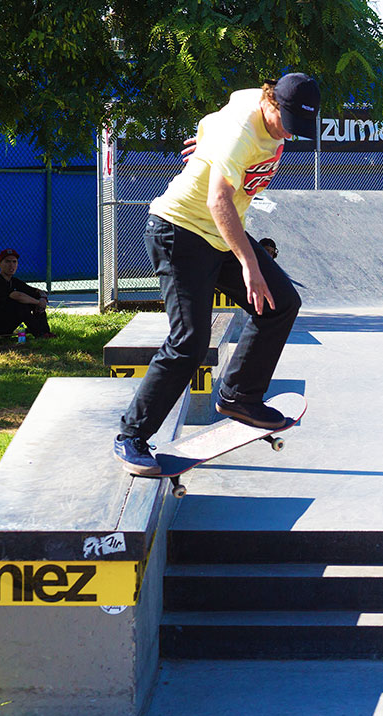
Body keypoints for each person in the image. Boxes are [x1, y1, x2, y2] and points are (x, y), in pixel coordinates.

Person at [113, 74, 318, 475]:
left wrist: (206, 143)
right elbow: (218, 199)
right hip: (180, 231)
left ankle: (239, 396)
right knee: (190, 341)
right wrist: (249, 264)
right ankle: (131, 437)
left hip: (219, 235)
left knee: (281, 304)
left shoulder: (248, 103)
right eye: (284, 124)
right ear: (270, 103)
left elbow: (212, 117)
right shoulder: (243, 131)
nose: (286, 136)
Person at [0, 248, 54, 337]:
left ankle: (45, 331)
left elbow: (34, 291)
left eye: (14, 262)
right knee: (21, 304)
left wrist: (42, 297)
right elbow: (17, 296)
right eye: (7, 262)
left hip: (7, 322)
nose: (11, 265)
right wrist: (38, 302)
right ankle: (39, 333)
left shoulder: (14, 281)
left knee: (34, 301)